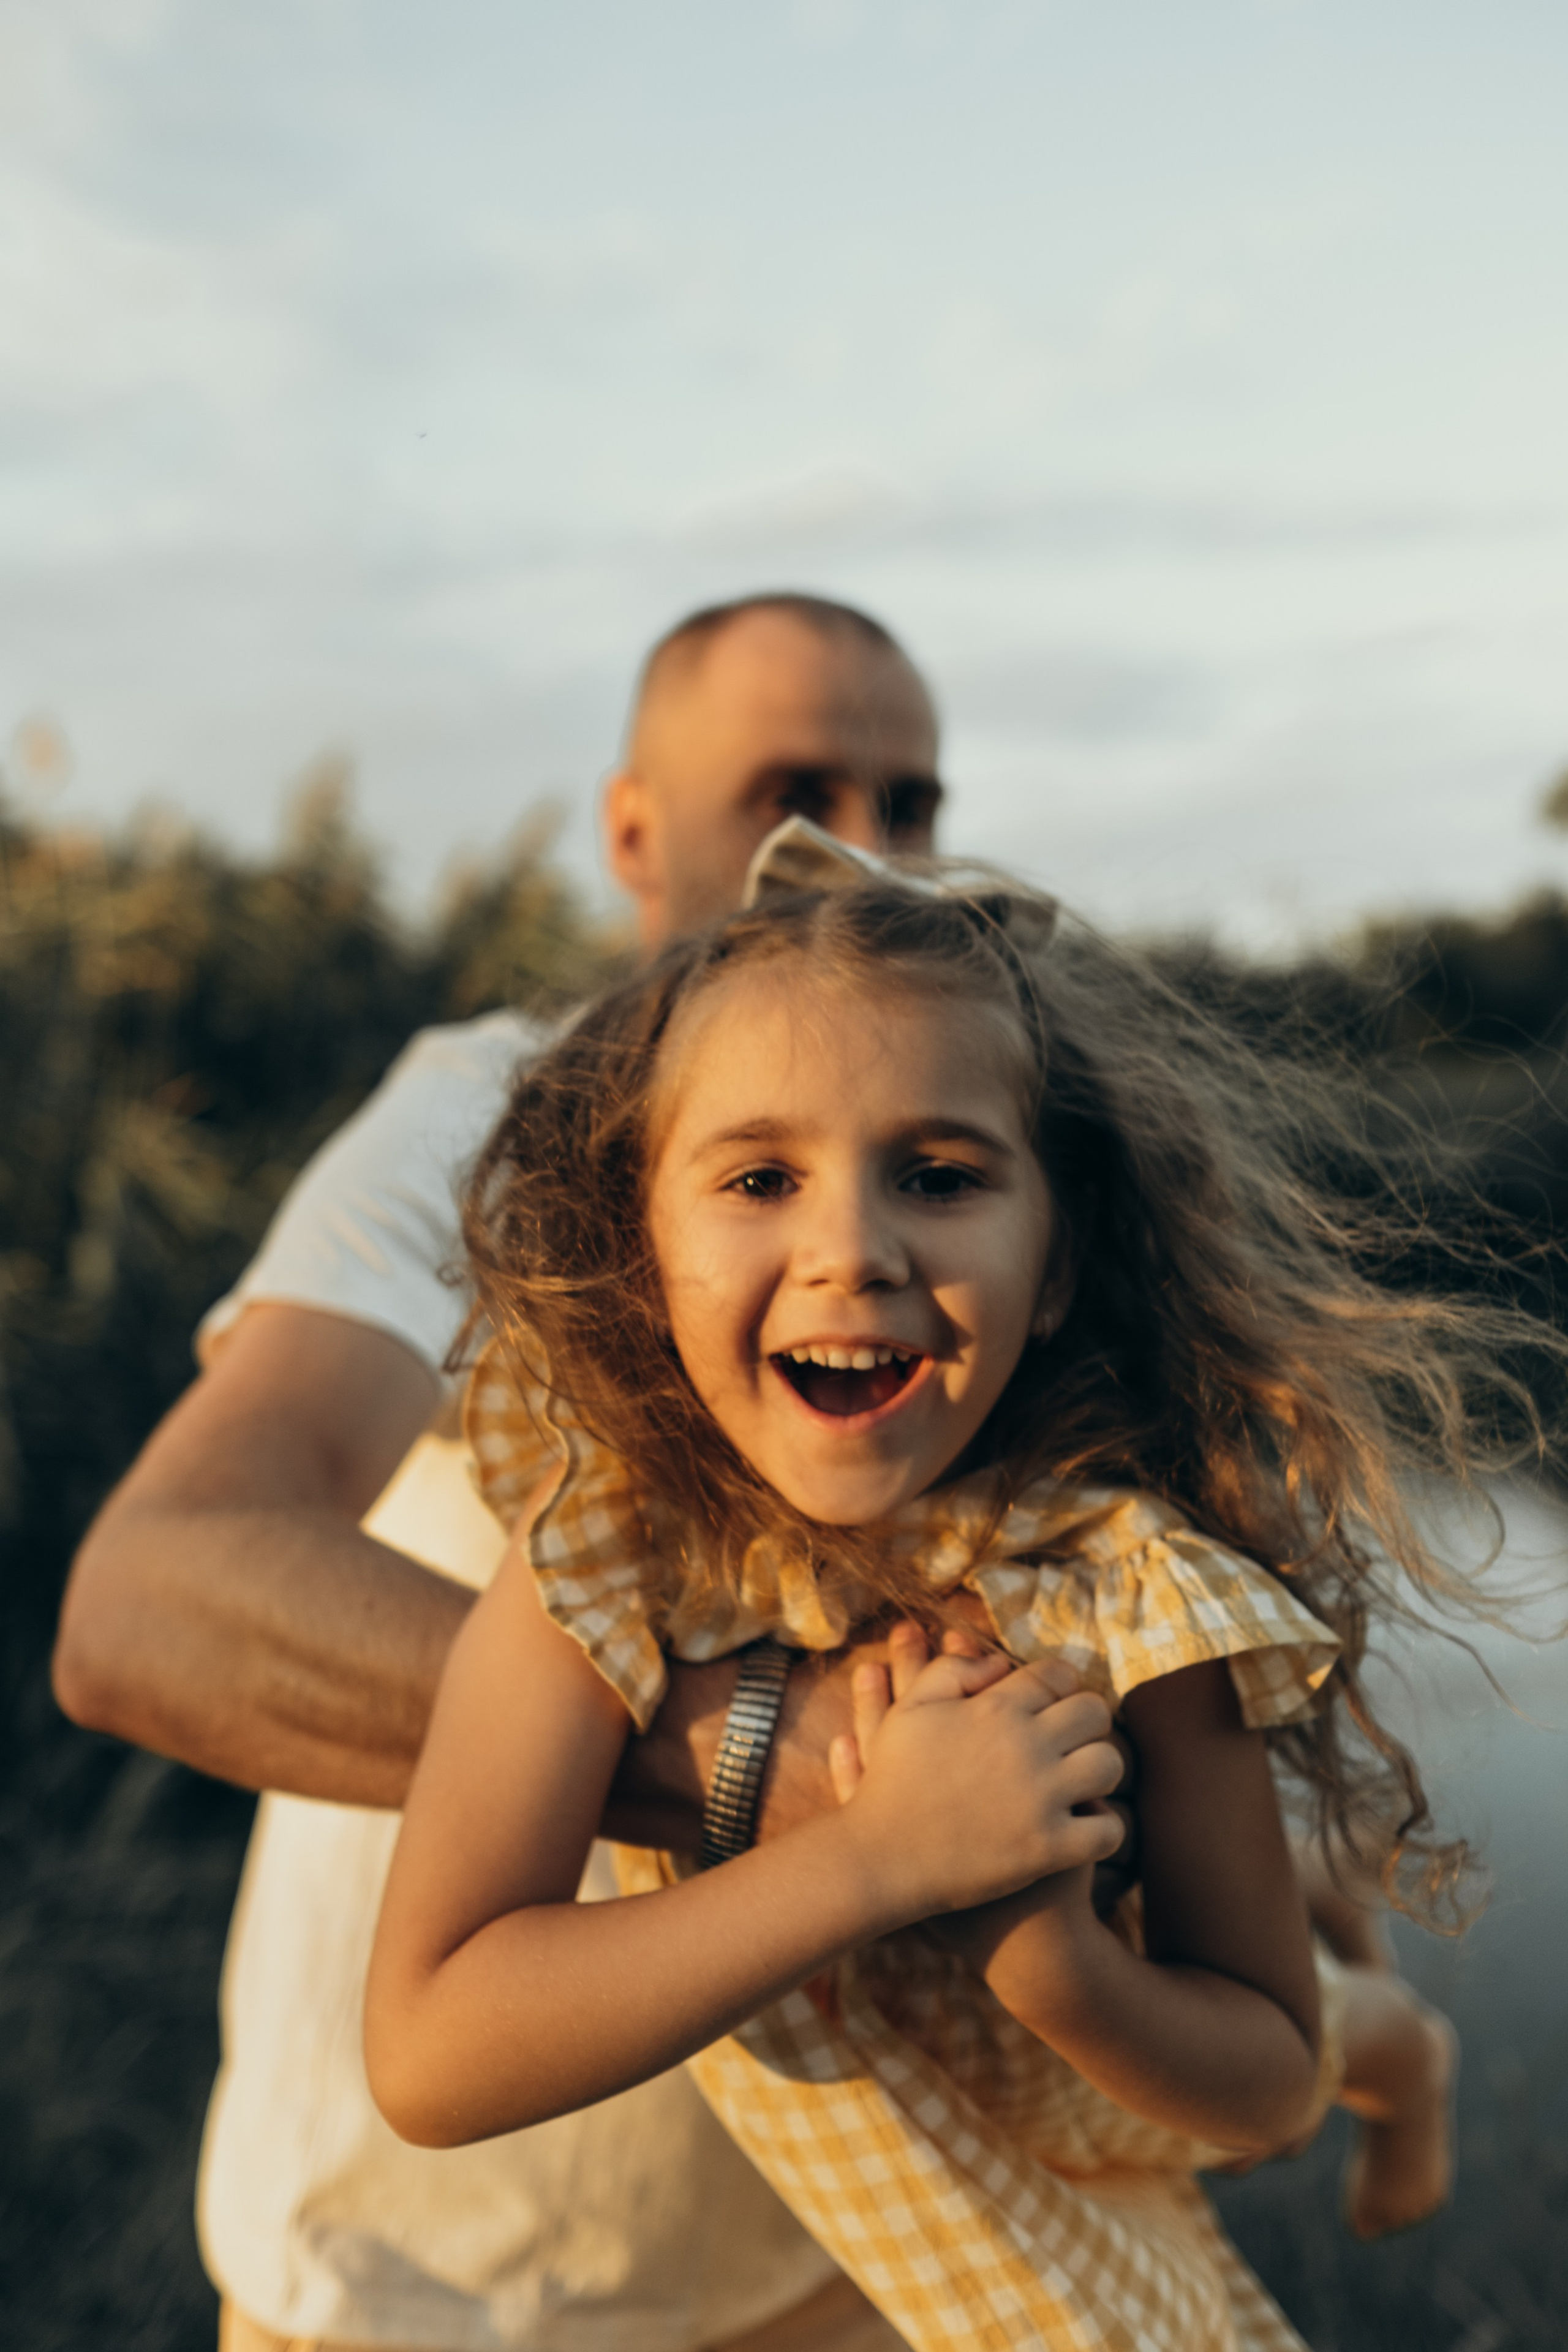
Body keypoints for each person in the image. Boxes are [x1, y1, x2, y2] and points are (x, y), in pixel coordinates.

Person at [364, 821, 1501, 2349]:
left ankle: (1412, 2063)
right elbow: (432, 2046)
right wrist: (873, 1862)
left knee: (1351, 2018)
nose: (850, 1249)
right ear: (641, 1248)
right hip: (884, 2195)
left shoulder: (1131, 1588)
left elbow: (1259, 2075)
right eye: (759, 1175)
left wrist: (1050, 1955)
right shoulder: (600, 1556)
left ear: (1058, 1269)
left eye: (939, 1175)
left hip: (1119, 2091)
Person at [53, 595, 948, 2352]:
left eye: (909, 802)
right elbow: (155, 1591)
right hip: (423, 2289)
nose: (857, 854)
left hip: (845, 2261)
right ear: (631, 830)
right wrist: (764, 1764)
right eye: (792, 786)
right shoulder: (477, 1111)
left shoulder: (954, 1163)